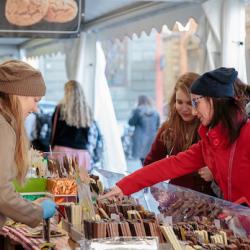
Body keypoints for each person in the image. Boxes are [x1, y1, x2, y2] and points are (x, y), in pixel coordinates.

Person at [101, 67, 250, 203]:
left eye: (195, 103)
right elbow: (170, 165)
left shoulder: (246, 134)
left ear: (213, 100)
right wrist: (124, 186)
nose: (193, 111)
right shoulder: (209, 144)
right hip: (236, 224)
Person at [0, 60, 56, 228]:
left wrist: (30, 206)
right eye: (35, 100)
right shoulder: (2, 127)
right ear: (18, 94)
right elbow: (2, 193)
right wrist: (37, 212)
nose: (36, 108)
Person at [143, 72, 214, 195]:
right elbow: (150, 164)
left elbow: (229, 166)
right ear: (173, 102)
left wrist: (215, 172)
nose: (185, 108)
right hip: (175, 201)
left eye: (190, 103)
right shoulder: (168, 129)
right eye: (180, 102)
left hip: (209, 203)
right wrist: (159, 194)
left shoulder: (211, 128)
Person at [51, 80, 93, 171]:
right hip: (82, 154)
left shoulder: (60, 109)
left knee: (59, 184)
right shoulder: (87, 111)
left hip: (62, 151)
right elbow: (88, 134)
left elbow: (54, 131)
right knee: (79, 184)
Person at [128, 95, 160, 164]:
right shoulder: (155, 112)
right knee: (150, 161)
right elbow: (157, 126)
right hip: (153, 140)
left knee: (143, 162)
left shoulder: (137, 111)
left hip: (140, 141)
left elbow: (130, 123)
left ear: (139, 101)